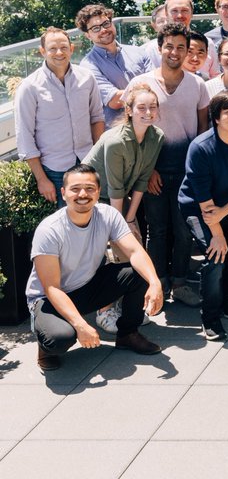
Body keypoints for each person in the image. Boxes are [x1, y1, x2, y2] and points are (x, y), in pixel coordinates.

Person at [27, 165, 164, 372]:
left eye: (90, 188)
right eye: (75, 189)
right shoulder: (49, 230)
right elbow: (52, 288)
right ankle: (45, 346)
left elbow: (135, 252)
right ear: (63, 193)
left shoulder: (107, 214)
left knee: (139, 273)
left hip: (87, 286)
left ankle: (127, 334)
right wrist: (81, 326)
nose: (83, 194)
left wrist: (155, 283)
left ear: (99, 192)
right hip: (49, 299)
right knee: (60, 338)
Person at [131, 23, 210, 307]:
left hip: (186, 171)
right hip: (152, 172)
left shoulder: (198, 84)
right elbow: (133, 132)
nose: (175, 52)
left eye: (181, 47)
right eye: (169, 46)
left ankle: (180, 282)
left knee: (183, 228)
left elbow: (202, 131)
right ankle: (159, 282)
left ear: (188, 51)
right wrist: (147, 169)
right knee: (157, 229)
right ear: (159, 48)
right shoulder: (141, 84)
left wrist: (198, 171)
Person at [82, 82, 164, 334]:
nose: (148, 112)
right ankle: (104, 311)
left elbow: (141, 180)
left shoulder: (156, 136)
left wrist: (130, 219)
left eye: (152, 107)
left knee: (132, 250)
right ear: (129, 110)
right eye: (141, 107)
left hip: (121, 200)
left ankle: (127, 307)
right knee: (106, 255)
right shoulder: (116, 141)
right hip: (93, 200)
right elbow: (114, 187)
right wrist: (121, 228)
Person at [178, 90, 228, 340]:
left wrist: (224, 213)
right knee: (216, 257)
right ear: (216, 117)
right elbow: (203, 199)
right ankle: (210, 317)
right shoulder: (201, 147)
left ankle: (225, 300)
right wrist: (217, 234)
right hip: (198, 207)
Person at [16, 27, 105, 205]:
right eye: (52, 48)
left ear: (71, 49)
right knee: (66, 227)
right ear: (42, 52)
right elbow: (25, 136)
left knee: (95, 219)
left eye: (64, 47)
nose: (59, 52)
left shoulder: (86, 78)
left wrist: (98, 159)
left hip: (88, 162)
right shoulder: (30, 87)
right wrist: (42, 179)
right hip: (55, 171)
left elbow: (97, 118)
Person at [77, 4, 151, 127]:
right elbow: (114, 101)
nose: (103, 30)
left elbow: (157, 86)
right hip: (119, 135)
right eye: (95, 28)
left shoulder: (139, 52)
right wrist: (146, 90)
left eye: (106, 23)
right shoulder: (88, 66)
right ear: (88, 35)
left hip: (149, 127)